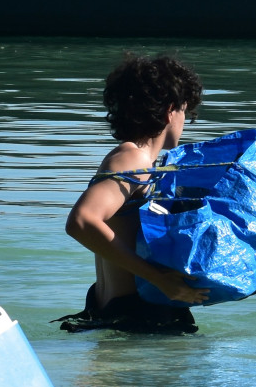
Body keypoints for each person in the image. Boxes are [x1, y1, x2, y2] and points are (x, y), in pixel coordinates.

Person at [58, 54, 210, 334]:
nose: (185, 121)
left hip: (113, 312)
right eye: (184, 111)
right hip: (137, 316)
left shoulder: (140, 163)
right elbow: (82, 221)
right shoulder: (133, 158)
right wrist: (160, 280)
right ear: (169, 111)